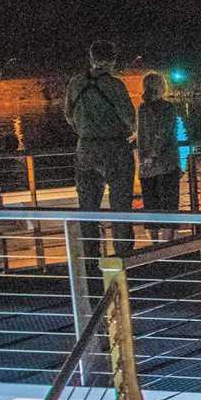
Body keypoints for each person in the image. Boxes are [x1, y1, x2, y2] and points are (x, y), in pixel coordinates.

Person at [63, 41, 136, 251]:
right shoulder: (115, 85)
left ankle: (90, 258)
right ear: (113, 60)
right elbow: (130, 118)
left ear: (91, 58)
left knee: (87, 207)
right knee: (121, 204)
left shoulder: (76, 83)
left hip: (85, 148)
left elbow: (69, 116)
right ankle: (123, 256)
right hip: (115, 148)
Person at [136, 73, 184, 233]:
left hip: (146, 169)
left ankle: (154, 247)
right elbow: (165, 132)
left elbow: (141, 135)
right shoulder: (169, 108)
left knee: (151, 209)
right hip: (167, 164)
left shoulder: (141, 109)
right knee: (170, 208)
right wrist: (154, 154)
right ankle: (168, 247)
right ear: (162, 87)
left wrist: (146, 158)